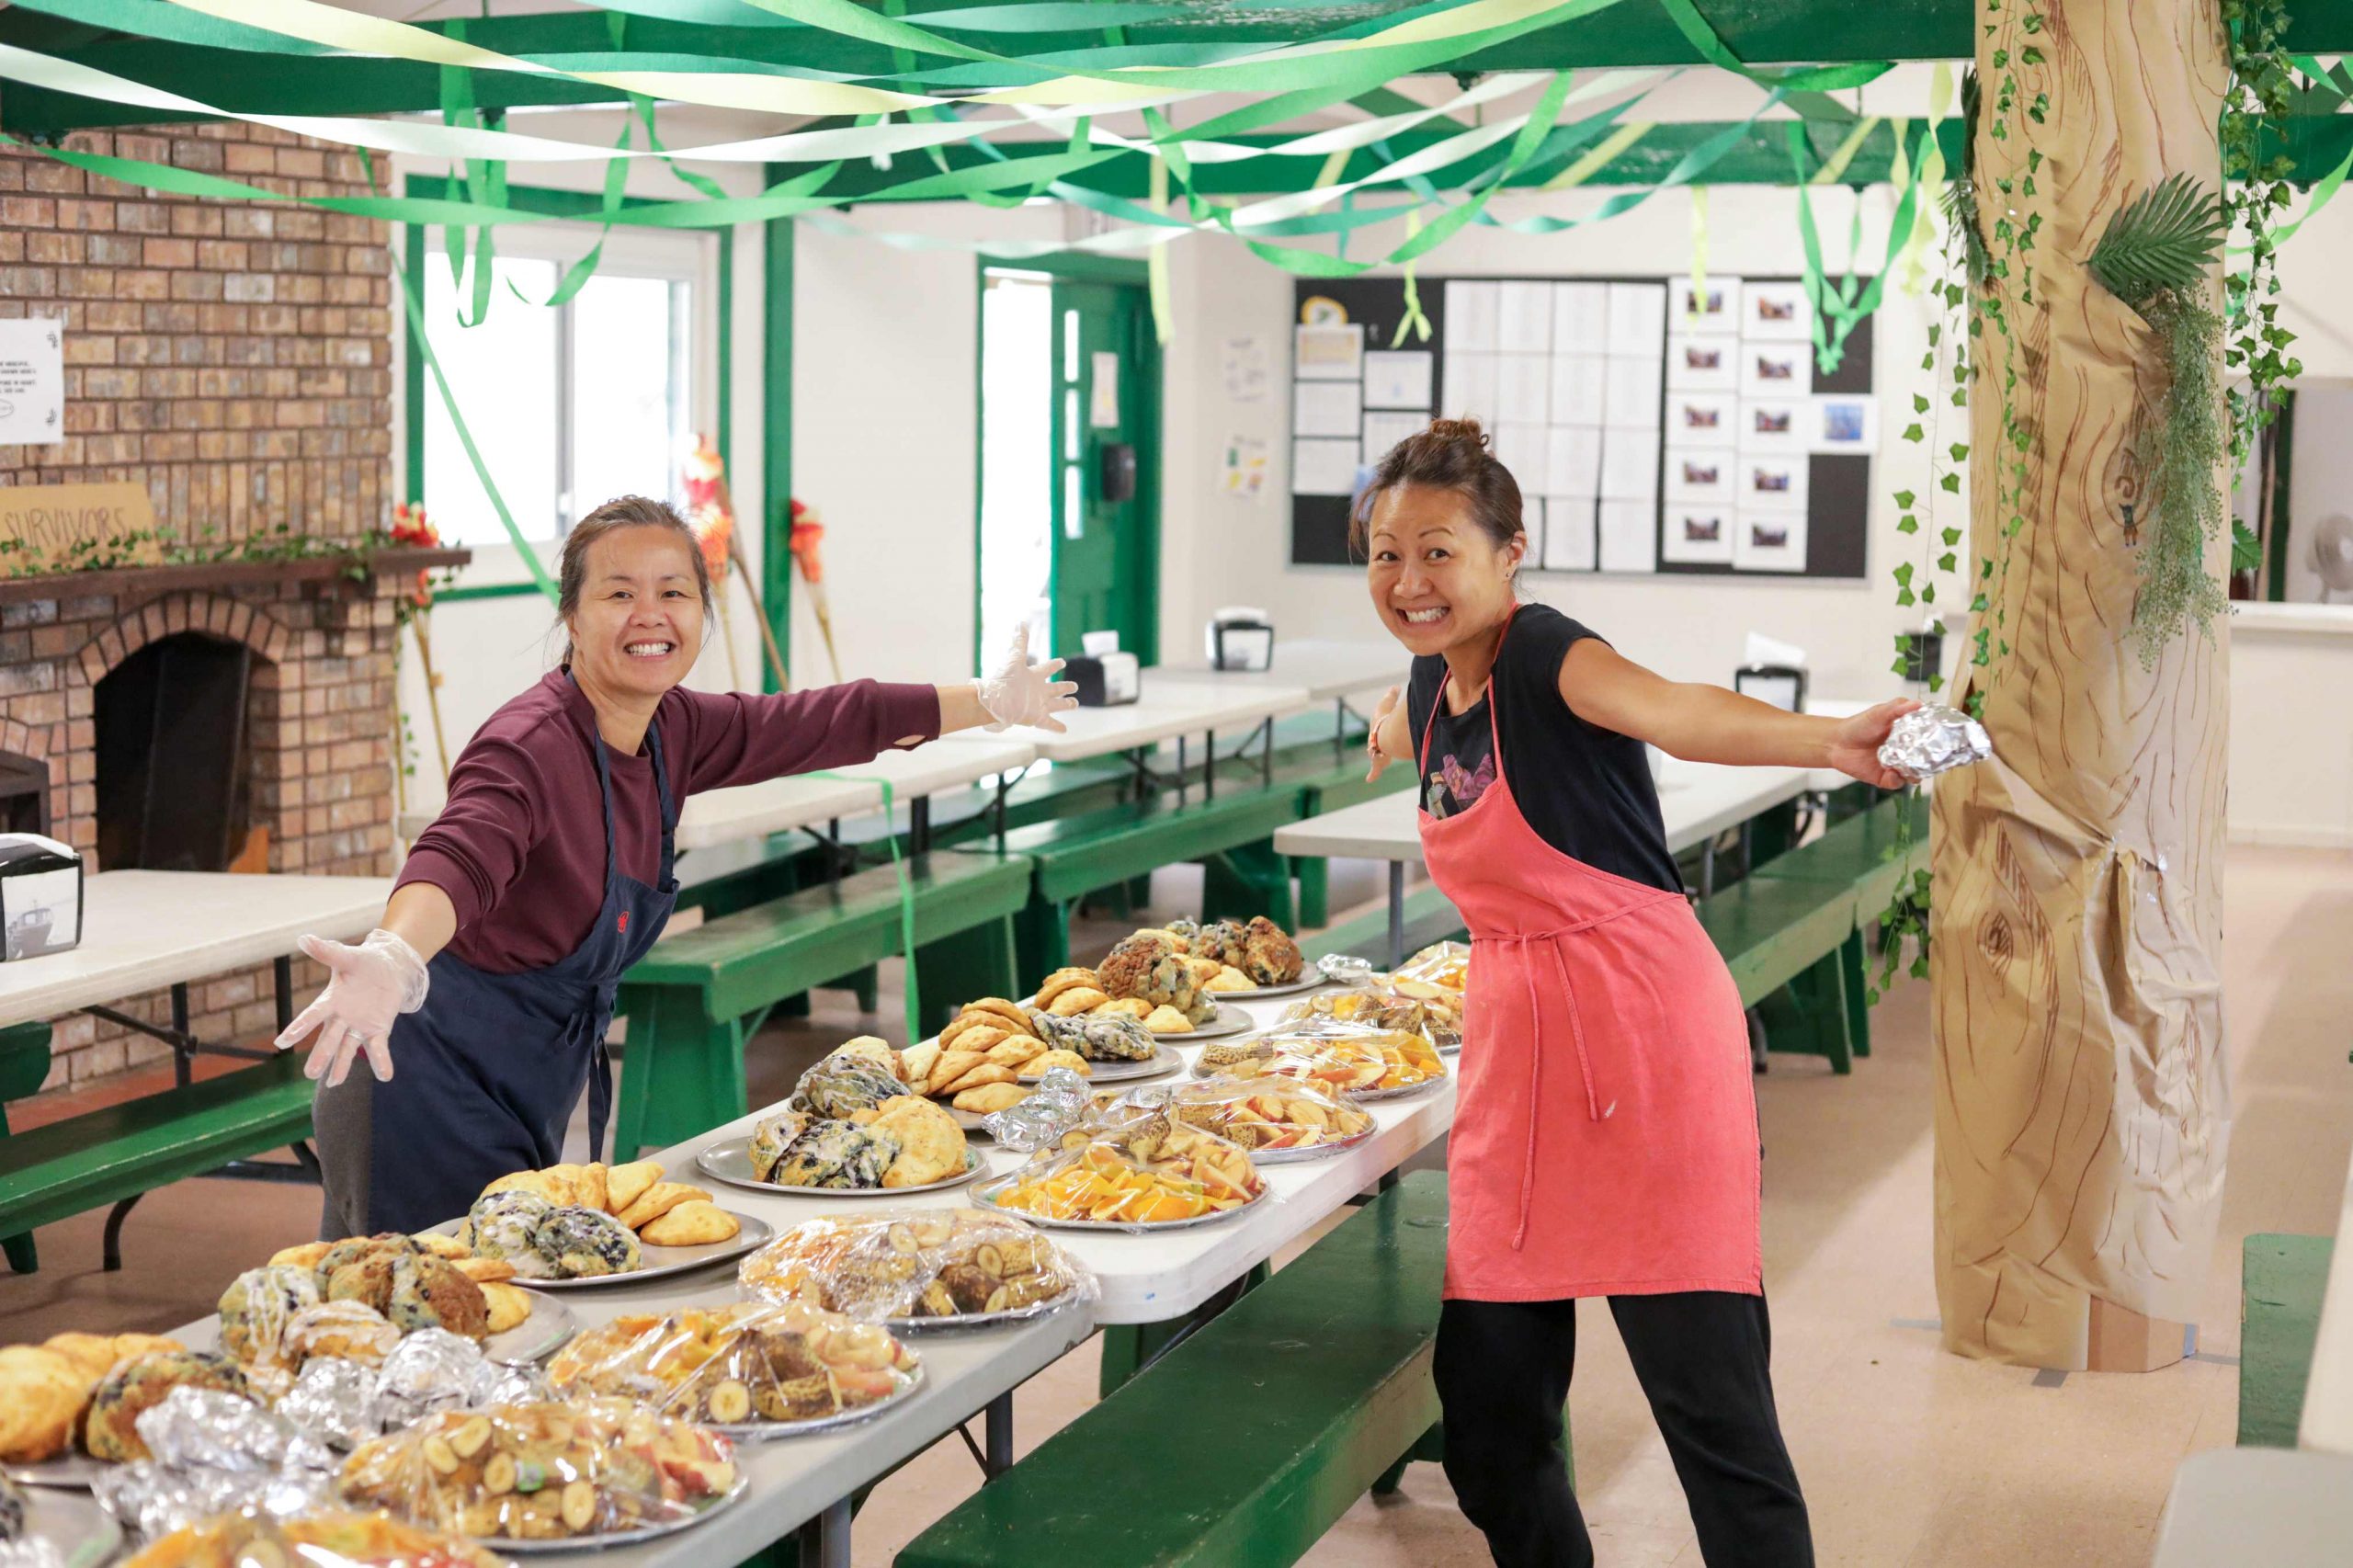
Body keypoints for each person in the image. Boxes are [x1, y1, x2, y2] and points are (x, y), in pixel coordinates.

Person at [1358, 421, 1915, 1568]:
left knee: (1714, 1418)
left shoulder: (1547, 654)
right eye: (1385, 554)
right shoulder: (1434, 673)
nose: (1409, 581)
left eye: (1438, 551)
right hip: (1521, 1062)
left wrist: (1828, 741)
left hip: (1644, 1035)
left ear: (1510, 552)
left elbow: (1675, 709)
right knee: (1490, 1425)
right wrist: (1388, 716)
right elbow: (1424, 715)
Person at [278, 494, 1076, 1237]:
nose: (650, 615)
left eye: (674, 592)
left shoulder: (669, 728)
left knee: (495, 1306)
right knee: (425, 1313)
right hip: (418, 1079)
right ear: (572, 616)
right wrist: (394, 952)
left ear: (701, 612)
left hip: (530, 1079)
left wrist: (985, 700)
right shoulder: (529, 745)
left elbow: (824, 720)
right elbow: (461, 851)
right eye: (619, 593)